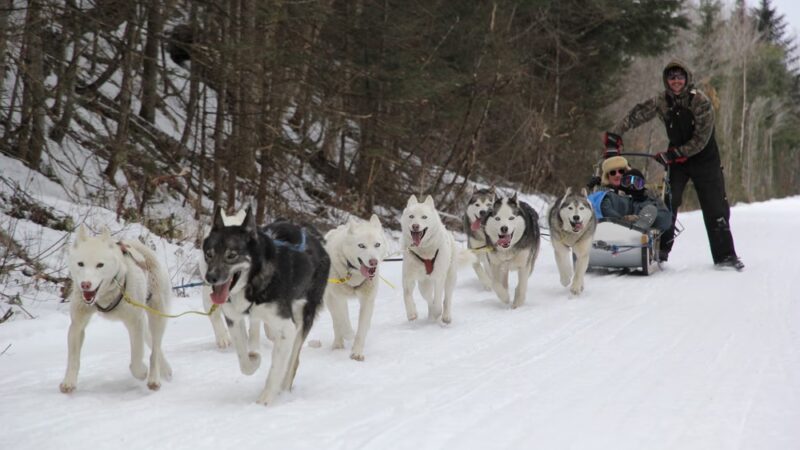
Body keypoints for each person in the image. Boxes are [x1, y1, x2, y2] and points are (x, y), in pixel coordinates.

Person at [605, 60, 744, 270]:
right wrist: (615, 134)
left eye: (680, 77)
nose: (676, 81)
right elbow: (637, 114)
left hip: (705, 161)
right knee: (668, 204)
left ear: (687, 79)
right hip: (677, 162)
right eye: (672, 77)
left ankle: (725, 256)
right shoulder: (662, 101)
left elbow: (701, 139)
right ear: (666, 80)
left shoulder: (700, 102)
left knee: (715, 207)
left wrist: (674, 154)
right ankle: (660, 252)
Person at [588, 159, 670, 232]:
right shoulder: (605, 194)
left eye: (621, 171)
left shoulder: (647, 196)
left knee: (653, 210)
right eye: (613, 173)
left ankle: (638, 226)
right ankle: (630, 227)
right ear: (607, 176)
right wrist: (622, 221)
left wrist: (647, 218)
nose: (617, 175)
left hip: (640, 230)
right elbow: (600, 207)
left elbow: (664, 217)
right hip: (612, 228)